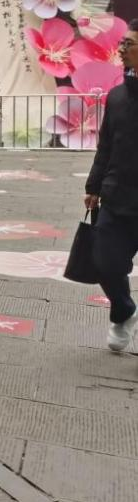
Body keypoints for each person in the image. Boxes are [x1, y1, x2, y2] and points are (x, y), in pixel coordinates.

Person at [85, 19, 138, 352]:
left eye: (129, 43)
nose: (122, 49)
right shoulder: (117, 96)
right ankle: (124, 311)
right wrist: (94, 185)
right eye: (122, 42)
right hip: (117, 196)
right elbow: (105, 146)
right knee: (103, 261)